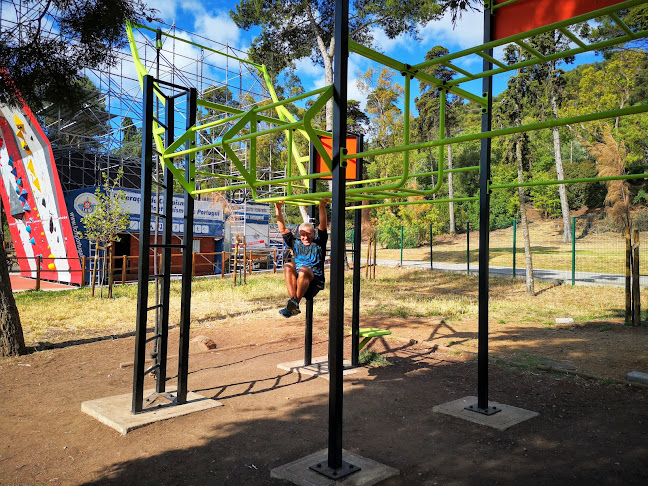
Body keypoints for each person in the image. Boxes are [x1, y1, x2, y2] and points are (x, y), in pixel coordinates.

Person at [275, 198, 329, 318]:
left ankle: (294, 304)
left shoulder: (319, 242)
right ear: (299, 234)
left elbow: (323, 225)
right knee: (288, 265)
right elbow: (282, 229)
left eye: (308, 234)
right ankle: (293, 302)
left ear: (313, 233)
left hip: (314, 281)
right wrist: (278, 209)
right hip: (298, 280)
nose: (305, 237)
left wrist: (321, 207)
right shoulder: (296, 242)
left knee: (304, 269)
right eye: (303, 234)